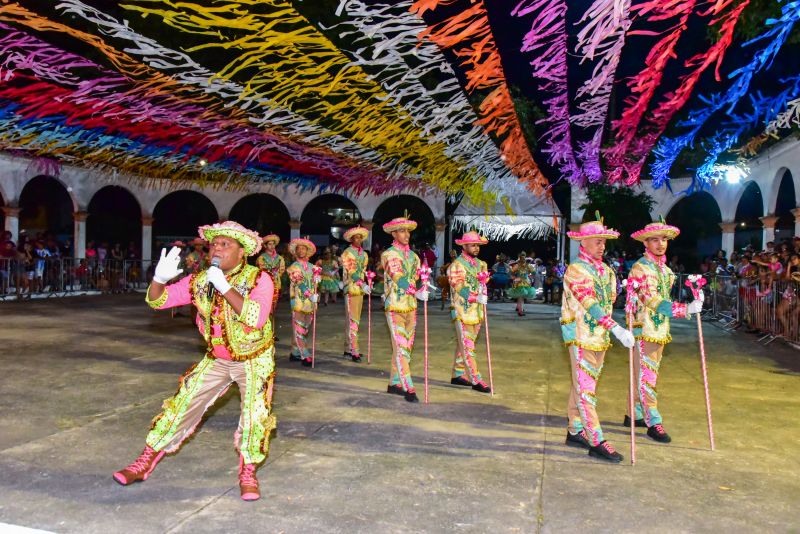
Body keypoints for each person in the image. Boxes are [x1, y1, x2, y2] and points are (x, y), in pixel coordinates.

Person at [113, 221, 275, 501]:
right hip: (217, 358)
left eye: (226, 245)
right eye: (215, 243)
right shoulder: (200, 280)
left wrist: (224, 286)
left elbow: (256, 318)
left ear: (242, 253)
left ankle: (248, 472)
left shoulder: (259, 279)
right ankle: (144, 461)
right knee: (182, 403)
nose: (217, 248)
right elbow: (157, 301)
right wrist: (158, 279)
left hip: (254, 358)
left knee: (254, 414)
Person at [561, 214, 635, 463]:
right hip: (580, 335)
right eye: (596, 241)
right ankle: (596, 439)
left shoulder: (607, 271)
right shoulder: (576, 269)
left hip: (600, 335)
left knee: (581, 384)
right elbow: (589, 303)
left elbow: (610, 300)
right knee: (586, 390)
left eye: (603, 241)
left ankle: (574, 429)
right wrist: (616, 328)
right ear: (583, 243)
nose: (601, 245)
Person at [626, 219, 704, 443]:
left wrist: (693, 296)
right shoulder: (640, 268)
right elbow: (652, 299)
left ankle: (634, 412)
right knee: (647, 376)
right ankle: (654, 421)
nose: (661, 244)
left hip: (659, 328)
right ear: (645, 243)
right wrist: (684, 309)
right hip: (645, 328)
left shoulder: (666, 270)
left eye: (664, 239)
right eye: (655, 239)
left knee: (642, 373)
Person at [381, 215, 427, 403]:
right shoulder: (389, 254)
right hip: (395, 306)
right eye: (402, 230)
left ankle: (394, 382)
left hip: (411, 307)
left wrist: (424, 284)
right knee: (401, 347)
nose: (406, 234)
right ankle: (408, 386)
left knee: (405, 348)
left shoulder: (415, 257)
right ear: (394, 234)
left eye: (408, 231)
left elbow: (418, 276)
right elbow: (397, 276)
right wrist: (415, 290)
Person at [447, 231, 491, 393]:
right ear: (464, 246)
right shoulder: (457, 265)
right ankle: (475, 379)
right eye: (473, 245)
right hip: (461, 311)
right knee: (468, 345)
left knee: (464, 343)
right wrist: (475, 297)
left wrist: (483, 291)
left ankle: (458, 374)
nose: (476, 248)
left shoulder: (481, 264)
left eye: (478, 245)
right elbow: (457, 286)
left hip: (477, 311)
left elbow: (484, 282)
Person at [286, 237, 318, 367]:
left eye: (303, 248)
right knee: (299, 328)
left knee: (305, 329)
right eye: (298, 249)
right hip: (299, 302)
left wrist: (317, 281)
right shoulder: (293, 267)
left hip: (310, 304)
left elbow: (314, 283)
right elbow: (299, 282)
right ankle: (305, 354)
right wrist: (309, 294)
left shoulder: (312, 267)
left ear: (307, 251)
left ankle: (295, 352)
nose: (301, 251)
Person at [340, 226, 370, 362]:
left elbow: (363, 271)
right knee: (352, 320)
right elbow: (352, 271)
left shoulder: (364, 254)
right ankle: (354, 350)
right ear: (351, 239)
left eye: (360, 237)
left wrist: (367, 280)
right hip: (351, 288)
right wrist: (362, 283)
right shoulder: (347, 253)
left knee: (354, 319)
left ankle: (348, 348)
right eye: (356, 237)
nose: (358, 240)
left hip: (360, 290)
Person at [256, 234, 286, 337]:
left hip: (276, 284)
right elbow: (261, 270)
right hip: (265, 284)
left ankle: (272, 331)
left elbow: (282, 270)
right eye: (269, 244)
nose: (272, 246)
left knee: (273, 308)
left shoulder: (280, 258)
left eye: (273, 244)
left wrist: (276, 274)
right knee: (265, 307)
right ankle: (265, 331)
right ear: (265, 246)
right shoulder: (262, 258)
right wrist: (271, 273)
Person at [508, 252, 535, 316]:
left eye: (523, 257)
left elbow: (534, 272)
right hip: (519, 282)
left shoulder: (527, 265)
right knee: (521, 296)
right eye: (521, 257)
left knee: (521, 296)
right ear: (519, 258)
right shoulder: (517, 265)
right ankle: (520, 310)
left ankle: (519, 308)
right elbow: (510, 272)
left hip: (525, 282)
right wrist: (514, 277)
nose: (522, 259)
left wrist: (530, 276)